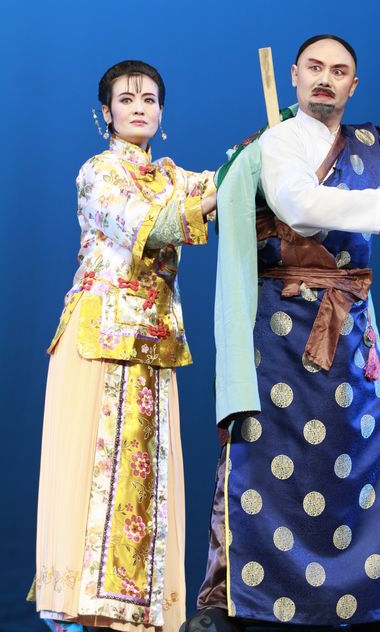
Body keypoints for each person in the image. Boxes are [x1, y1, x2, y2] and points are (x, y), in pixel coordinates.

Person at [183, 35, 380, 632]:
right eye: (315, 67)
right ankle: (242, 607)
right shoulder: (274, 142)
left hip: (351, 334)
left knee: (377, 457)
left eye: (340, 70)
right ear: (295, 76)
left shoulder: (373, 145)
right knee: (263, 462)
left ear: (355, 85)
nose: (325, 78)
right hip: (279, 335)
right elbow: (297, 204)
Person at [33, 60, 216, 632]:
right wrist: (211, 197)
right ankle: (85, 609)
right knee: (94, 474)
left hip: (152, 342)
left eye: (150, 99)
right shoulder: (100, 172)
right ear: (106, 113)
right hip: (100, 340)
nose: (139, 107)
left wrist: (275, 145)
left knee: (147, 481)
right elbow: (150, 225)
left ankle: (140, 613)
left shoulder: (172, 176)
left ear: (162, 113)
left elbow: (231, 181)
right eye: (127, 98)